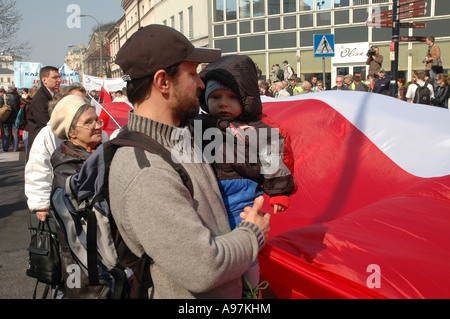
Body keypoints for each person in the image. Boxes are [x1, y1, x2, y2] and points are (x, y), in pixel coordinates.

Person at [112, 24, 270, 299]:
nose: (200, 84)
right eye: (193, 73)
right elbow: (203, 268)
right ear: (163, 82)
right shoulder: (146, 172)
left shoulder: (180, 135)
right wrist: (252, 233)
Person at [196, 54, 295, 297]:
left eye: (232, 98)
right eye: (216, 97)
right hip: (209, 191)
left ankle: (250, 287)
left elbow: (273, 160)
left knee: (244, 244)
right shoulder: (199, 124)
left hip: (242, 191)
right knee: (213, 244)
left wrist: (279, 193)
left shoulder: (259, 128)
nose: (223, 104)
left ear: (247, 100)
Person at [25, 85, 101, 222]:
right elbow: (38, 170)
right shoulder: (48, 136)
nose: (97, 126)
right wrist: (40, 203)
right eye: (76, 100)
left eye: (85, 100)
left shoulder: (99, 137)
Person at [27, 66, 61, 158]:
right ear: (44, 80)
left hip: (49, 141)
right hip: (41, 143)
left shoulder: (53, 95)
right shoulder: (40, 98)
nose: (59, 80)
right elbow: (46, 122)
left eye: (59, 77)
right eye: (55, 77)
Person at [0, 86, 21, 152]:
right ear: (15, 90)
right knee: (15, 133)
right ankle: (15, 148)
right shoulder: (18, 97)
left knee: (6, 133)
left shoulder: (3, 97)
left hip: (6, 117)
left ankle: (5, 147)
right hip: (15, 117)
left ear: (9, 90)